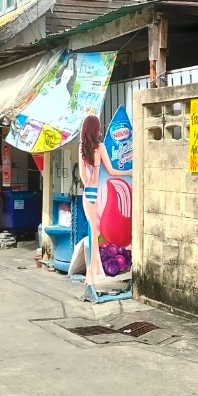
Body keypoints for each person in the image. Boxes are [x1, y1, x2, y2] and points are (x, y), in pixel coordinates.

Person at [78, 114, 130, 287]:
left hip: (87, 193)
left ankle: (91, 274)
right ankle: (93, 272)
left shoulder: (82, 147)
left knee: (93, 232)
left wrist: (89, 186)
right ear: (96, 129)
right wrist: (129, 172)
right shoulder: (99, 147)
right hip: (96, 192)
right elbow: (112, 171)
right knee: (95, 233)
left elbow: (83, 176)